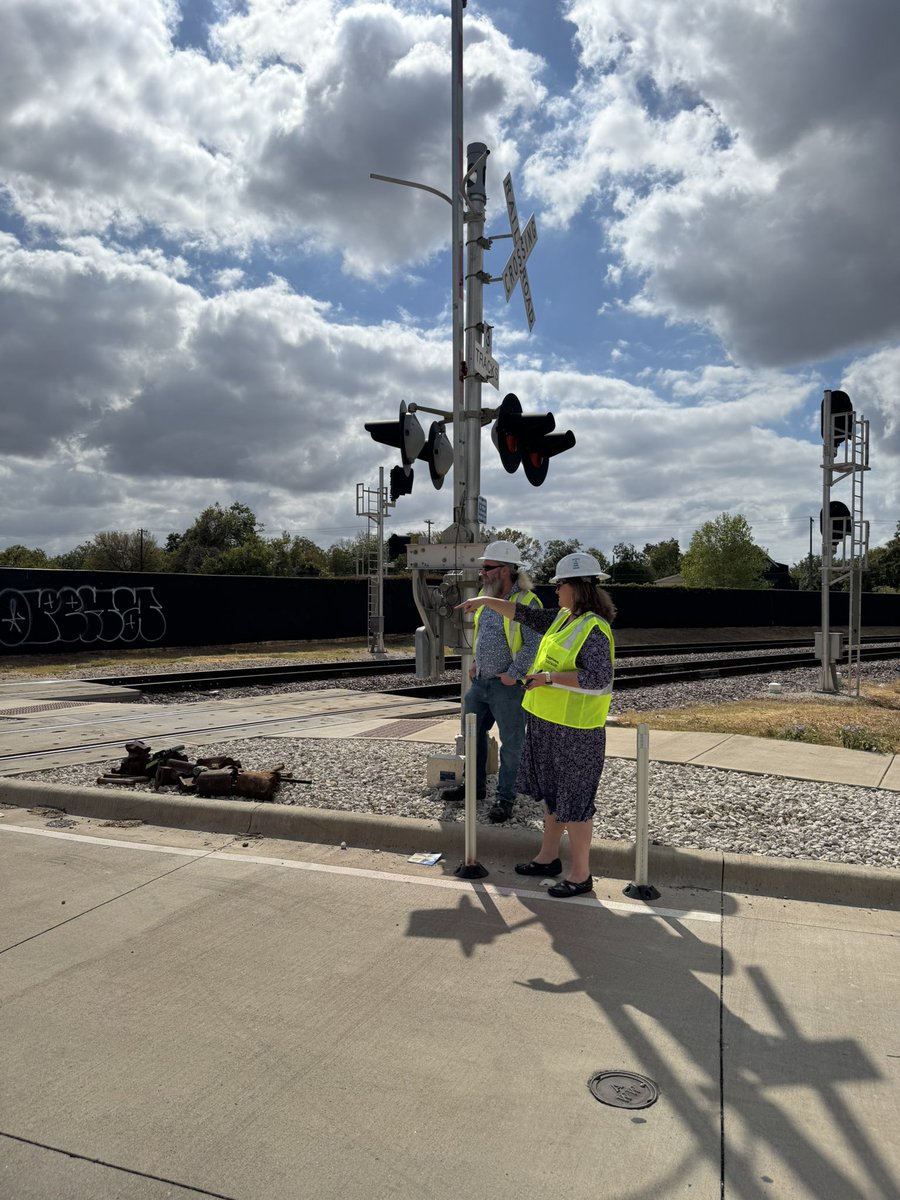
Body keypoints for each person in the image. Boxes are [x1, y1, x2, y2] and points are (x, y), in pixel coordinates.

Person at [457, 551, 615, 897]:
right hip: (549, 725)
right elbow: (522, 614)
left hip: (576, 732)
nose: (555, 590)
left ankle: (581, 875)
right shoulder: (563, 619)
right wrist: (485, 600)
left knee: (575, 802)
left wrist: (547, 678)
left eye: (560, 585)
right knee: (553, 797)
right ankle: (548, 858)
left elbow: (599, 678)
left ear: (577, 587)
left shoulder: (593, 628)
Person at [444, 540, 543, 823]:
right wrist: (476, 662)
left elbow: (534, 643)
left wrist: (514, 674)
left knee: (512, 744)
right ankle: (473, 788)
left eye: (487, 568)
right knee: (471, 735)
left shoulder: (527, 602)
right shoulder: (484, 597)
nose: (482, 573)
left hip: (507, 687)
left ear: (505, 570)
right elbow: (483, 635)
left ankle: (505, 798)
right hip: (482, 683)